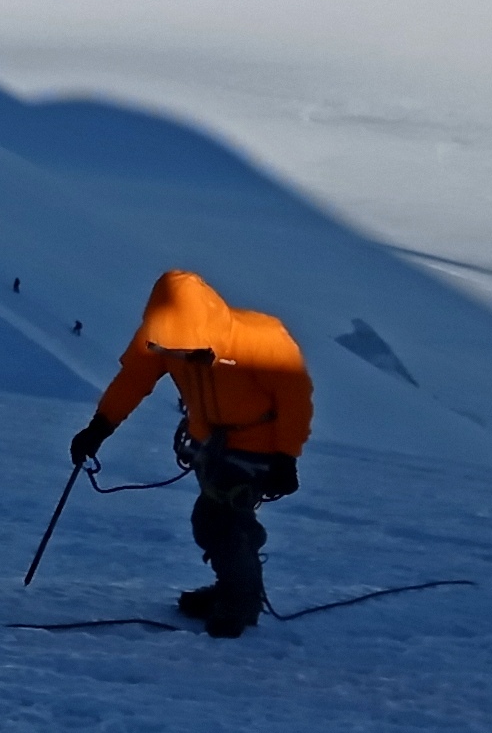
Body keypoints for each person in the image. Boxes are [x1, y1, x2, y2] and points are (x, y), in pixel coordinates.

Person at [68, 269, 313, 636]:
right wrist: (99, 427)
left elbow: (295, 399)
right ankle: (236, 590)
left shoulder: (261, 337)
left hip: (257, 446)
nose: (184, 356)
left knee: (218, 520)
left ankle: (239, 603)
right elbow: (134, 379)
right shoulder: (160, 338)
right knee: (227, 521)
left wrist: (286, 456)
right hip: (208, 444)